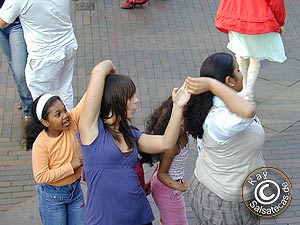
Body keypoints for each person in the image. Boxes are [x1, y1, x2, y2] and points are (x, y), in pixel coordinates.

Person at [77, 60, 190, 225]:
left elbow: (167, 142)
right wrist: (113, 74)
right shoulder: (92, 132)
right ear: (117, 100)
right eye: (131, 96)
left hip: (140, 217)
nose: (136, 101)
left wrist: (178, 107)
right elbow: (99, 70)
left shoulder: (131, 135)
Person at [183, 52, 265, 225]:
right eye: (238, 70)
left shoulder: (217, 103)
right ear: (229, 80)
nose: (242, 73)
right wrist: (212, 84)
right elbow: (248, 112)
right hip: (224, 204)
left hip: (223, 189)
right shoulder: (219, 119)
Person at [0, 0, 78, 110]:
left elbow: (3, 22)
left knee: (44, 103)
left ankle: (53, 126)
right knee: (65, 89)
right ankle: (70, 124)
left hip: (45, 57)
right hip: (68, 45)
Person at [24, 92, 86, 225]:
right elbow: (41, 177)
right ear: (45, 122)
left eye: (64, 110)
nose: (65, 116)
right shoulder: (41, 144)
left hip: (75, 191)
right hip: (53, 197)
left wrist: (101, 75)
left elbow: (86, 101)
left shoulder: (71, 122)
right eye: (58, 114)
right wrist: (71, 166)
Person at [215, 0, 287, 104]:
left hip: (235, 17)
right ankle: (248, 92)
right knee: (255, 58)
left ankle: (243, 88)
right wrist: (280, 22)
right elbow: (276, 2)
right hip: (258, 20)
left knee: (240, 55)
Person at [145, 96, 189, 225]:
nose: (185, 122)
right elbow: (162, 174)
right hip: (168, 190)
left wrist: (150, 182)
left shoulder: (182, 135)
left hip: (165, 186)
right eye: (182, 118)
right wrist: (180, 187)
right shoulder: (173, 145)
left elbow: (161, 164)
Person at [0, 0, 32, 121]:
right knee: (13, 64)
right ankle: (25, 98)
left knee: (19, 70)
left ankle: (28, 108)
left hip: (15, 23)